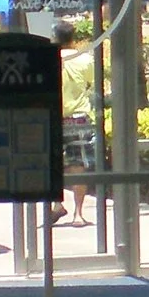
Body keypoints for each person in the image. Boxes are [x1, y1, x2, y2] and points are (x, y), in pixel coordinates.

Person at [53, 19, 98, 228]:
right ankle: (78, 214)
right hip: (78, 118)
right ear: (73, 38)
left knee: (50, 164)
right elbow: (93, 83)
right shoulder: (84, 58)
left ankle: (56, 204)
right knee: (78, 166)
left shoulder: (48, 58)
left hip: (52, 117)